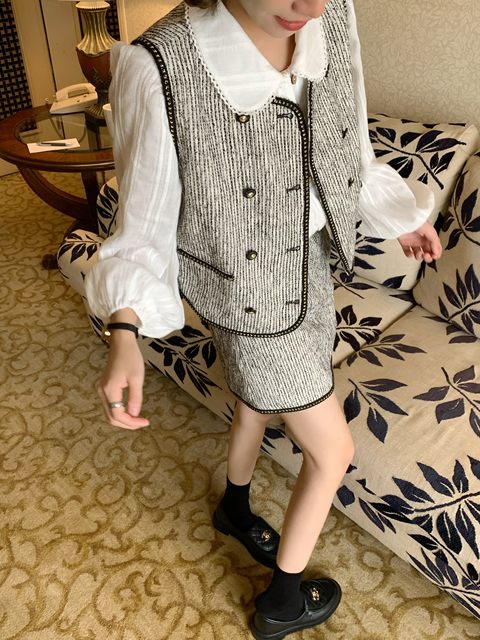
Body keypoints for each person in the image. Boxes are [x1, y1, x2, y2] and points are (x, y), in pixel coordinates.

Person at [85, 0, 443, 637]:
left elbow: (345, 144)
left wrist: (400, 216)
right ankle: (280, 605)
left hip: (311, 266)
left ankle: (234, 506)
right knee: (332, 452)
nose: (309, 6)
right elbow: (143, 221)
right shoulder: (158, 65)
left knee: (254, 402)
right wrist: (125, 330)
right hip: (246, 293)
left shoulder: (332, 15)